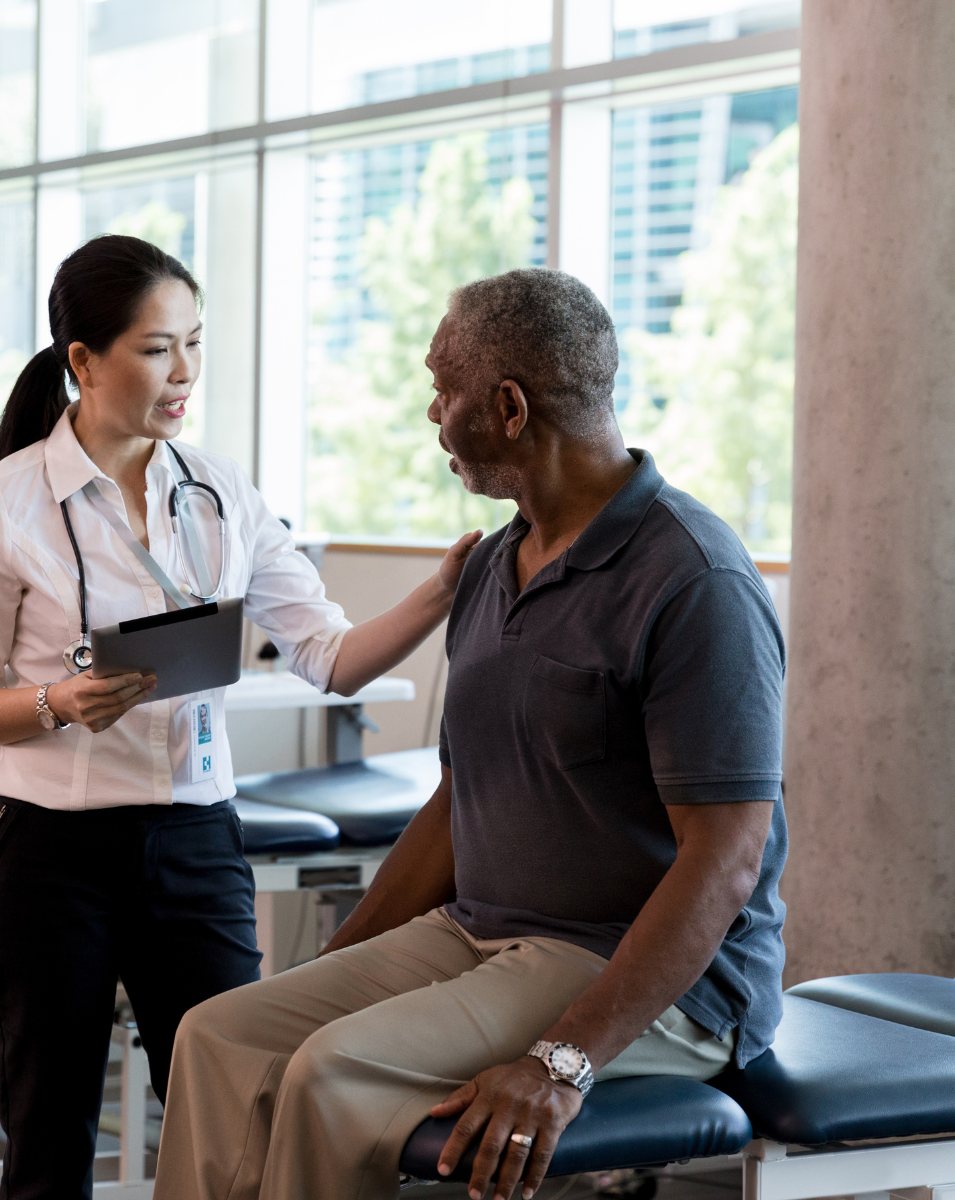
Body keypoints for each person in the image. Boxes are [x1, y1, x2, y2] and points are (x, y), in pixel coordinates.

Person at [153, 268, 786, 1200]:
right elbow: (462, 801)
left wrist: (563, 1062)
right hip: (480, 932)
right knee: (221, 1035)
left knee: (334, 1069)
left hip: (644, 972)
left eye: (443, 390)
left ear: (510, 408)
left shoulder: (694, 580)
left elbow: (724, 864)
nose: (431, 413)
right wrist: (340, 966)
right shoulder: (494, 563)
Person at [0, 234, 479, 1200]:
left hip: (194, 843)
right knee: (49, 1137)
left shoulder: (221, 489)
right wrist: (58, 702)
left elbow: (331, 656)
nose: (183, 373)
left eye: (195, 343)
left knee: (238, 1112)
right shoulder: (6, 500)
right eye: (154, 349)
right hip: (50, 855)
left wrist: (438, 593)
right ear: (84, 362)